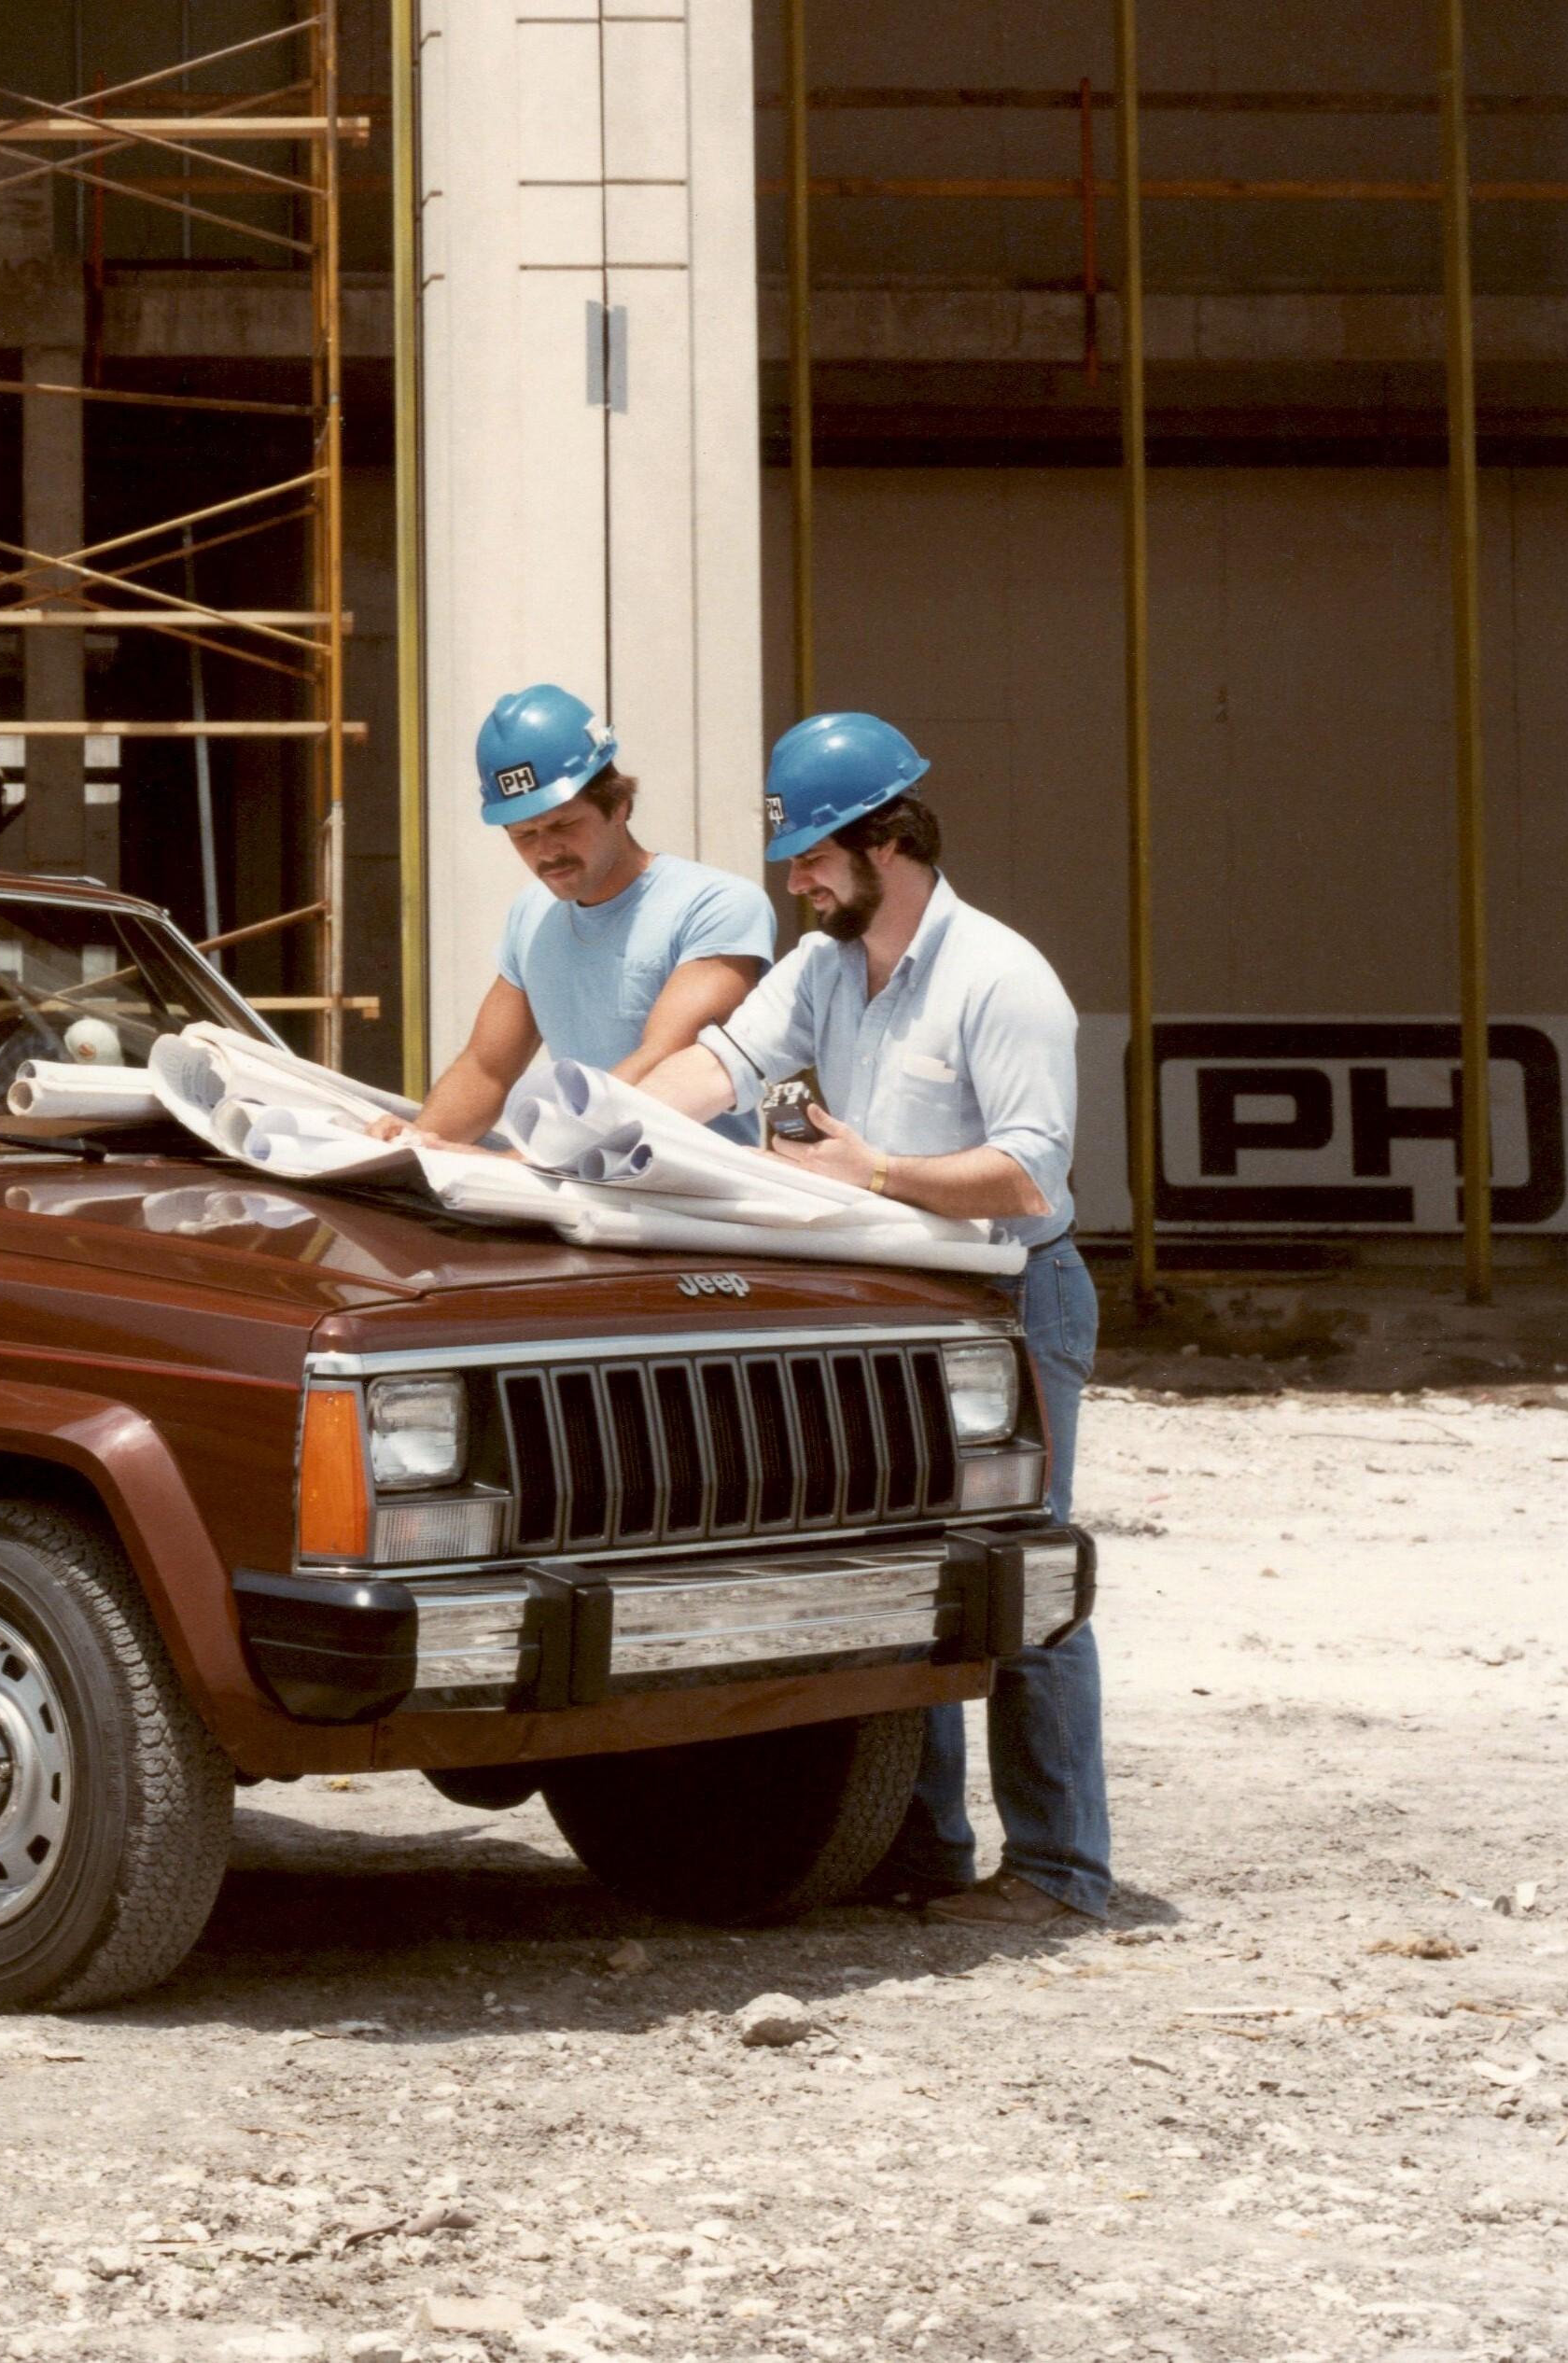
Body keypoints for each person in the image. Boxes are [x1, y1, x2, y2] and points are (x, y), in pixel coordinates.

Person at [635, 710, 1106, 1931]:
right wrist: (601, 1127)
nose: (792, 883)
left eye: (808, 860)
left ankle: (1060, 1874)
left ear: (882, 844)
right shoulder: (823, 966)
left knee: (1018, 1579)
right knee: (909, 1575)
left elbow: (1027, 1178)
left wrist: (875, 1172)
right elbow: (723, 1068)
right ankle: (922, 1852)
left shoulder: (1001, 980)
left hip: (1010, 1300)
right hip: (895, 1300)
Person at [389, 686, 775, 1150]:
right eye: (523, 834)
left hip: (690, 1199)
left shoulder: (718, 906)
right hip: (573, 1184)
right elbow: (486, 1069)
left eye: (562, 825)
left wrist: (522, 1161)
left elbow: (663, 1061)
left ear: (619, 805)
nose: (546, 851)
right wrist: (417, 1142)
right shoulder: (531, 915)